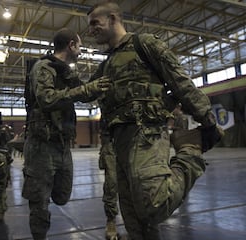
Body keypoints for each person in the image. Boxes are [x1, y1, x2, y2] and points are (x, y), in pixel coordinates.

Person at [87, 2, 224, 240]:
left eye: (94, 23)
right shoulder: (106, 65)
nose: (91, 30)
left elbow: (180, 81)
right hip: (118, 145)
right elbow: (86, 94)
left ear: (112, 18)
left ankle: (190, 154)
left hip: (147, 134)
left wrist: (208, 121)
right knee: (134, 220)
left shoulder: (144, 44)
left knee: (155, 203)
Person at [22, 27, 110, 240]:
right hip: (41, 146)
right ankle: (39, 235)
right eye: (79, 46)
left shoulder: (66, 72)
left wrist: (100, 80)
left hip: (62, 146)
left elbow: (86, 94)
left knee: (62, 196)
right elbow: (47, 99)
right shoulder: (44, 67)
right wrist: (86, 90)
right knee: (39, 202)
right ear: (71, 45)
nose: (80, 51)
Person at [98, 117, 119, 240]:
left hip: (135, 140)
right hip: (111, 142)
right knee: (112, 183)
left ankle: (136, 221)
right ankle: (111, 220)